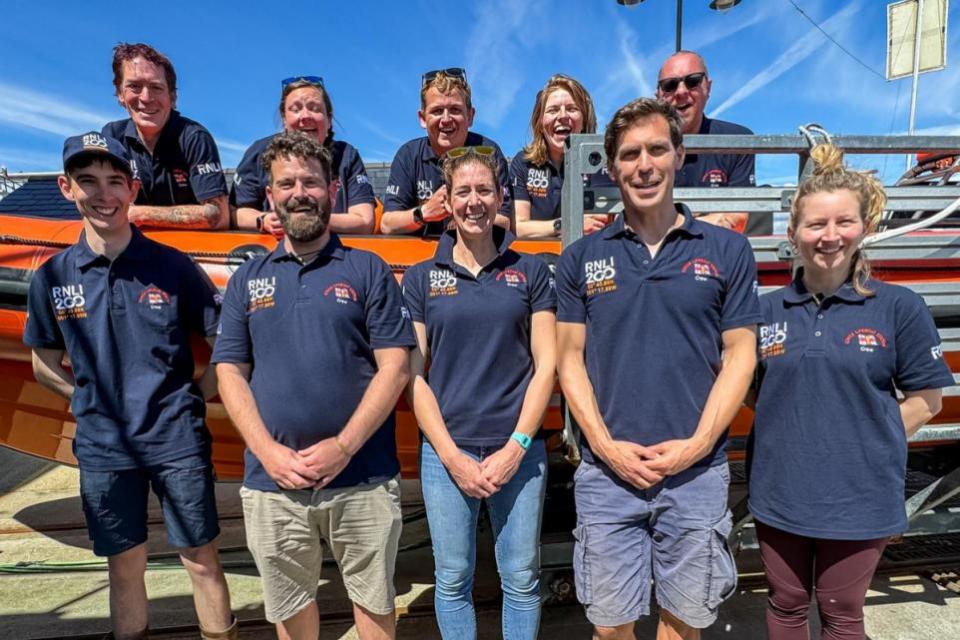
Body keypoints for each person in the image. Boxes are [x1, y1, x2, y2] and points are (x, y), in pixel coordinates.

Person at [555, 98, 761, 640]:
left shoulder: (728, 250)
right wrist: (604, 446)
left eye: (656, 149)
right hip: (607, 474)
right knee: (610, 626)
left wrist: (695, 446)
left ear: (679, 155)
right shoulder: (581, 257)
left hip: (695, 474)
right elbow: (568, 357)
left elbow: (741, 354)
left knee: (683, 625)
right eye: (629, 154)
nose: (643, 165)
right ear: (611, 165)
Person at [24, 132, 235, 640]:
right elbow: (40, 360)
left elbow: (224, 340)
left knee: (201, 558)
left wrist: (193, 397)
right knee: (124, 565)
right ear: (65, 187)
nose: (104, 194)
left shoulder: (172, 265)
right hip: (103, 448)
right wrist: (84, 400)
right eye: (88, 181)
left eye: (115, 181)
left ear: (132, 189)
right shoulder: (52, 276)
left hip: (176, 440)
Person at [213, 131, 414, 640]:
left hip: (363, 476)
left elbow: (394, 367)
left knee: (374, 607)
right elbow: (229, 371)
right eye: (287, 183)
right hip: (272, 483)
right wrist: (268, 452)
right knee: (292, 610)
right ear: (270, 195)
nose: (299, 192)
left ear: (332, 190)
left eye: (311, 181)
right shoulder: (245, 280)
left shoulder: (367, 269)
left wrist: (343, 447)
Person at [749, 144, 953, 640]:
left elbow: (929, 400)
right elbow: (754, 392)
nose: (829, 236)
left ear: (866, 227)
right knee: (787, 604)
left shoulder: (898, 307)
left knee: (842, 612)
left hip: (859, 495)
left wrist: (864, 438)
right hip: (780, 488)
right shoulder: (765, 310)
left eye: (844, 222)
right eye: (816, 225)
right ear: (794, 232)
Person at [403, 146, 557, 639]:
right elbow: (414, 376)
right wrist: (451, 456)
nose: (474, 202)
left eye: (484, 190)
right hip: (448, 455)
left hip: (519, 452)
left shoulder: (530, 272)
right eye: (463, 191)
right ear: (446, 200)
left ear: (500, 197)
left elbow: (546, 365)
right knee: (452, 580)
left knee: (521, 579)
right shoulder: (423, 278)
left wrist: (517, 447)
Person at [102, 42, 229, 229]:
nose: (146, 97)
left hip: (189, 252)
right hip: (132, 250)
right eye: (134, 86)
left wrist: (140, 214)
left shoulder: (194, 137)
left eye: (156, 87)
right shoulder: (112, 136)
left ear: (173, 97)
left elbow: (219, 216)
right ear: (120, 94)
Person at [231, 75, 376, 235]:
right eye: (296, 109)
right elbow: (235, 212)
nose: (305, 116)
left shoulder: (347, 156)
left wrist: (305, 220)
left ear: (329, 120)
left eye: (315, 108)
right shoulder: (259, 152)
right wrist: (263, 220)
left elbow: (365, 221)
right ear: (284, 119)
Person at [380, 68, 511, 236]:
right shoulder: (407, 155)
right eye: (437, 111)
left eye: (455, 110)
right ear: (422, 118)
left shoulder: (489, 152)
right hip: (420, 256)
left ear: (470, 116)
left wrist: (463, 214)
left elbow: (505, 221)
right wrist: (425, 212)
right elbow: (387, 224)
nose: (446, 119)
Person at [656, 51, 767, 235]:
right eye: (670, 85)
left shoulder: (738, 140)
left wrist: (666, 225)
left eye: (692, 81)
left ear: (708, 87)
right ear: (658, 94)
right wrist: (708, 218)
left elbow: (737, 218)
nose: (681, 91)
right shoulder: (640, 145)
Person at [510, 74, 612, 239]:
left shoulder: (602, 163)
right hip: (537, 260)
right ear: (540, 122)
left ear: (584, 119)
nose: (563, 116)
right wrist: (568, 224)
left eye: (572, 109)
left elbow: (603, 220)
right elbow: (518, 227)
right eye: (553, 110)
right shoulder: (523, 163)